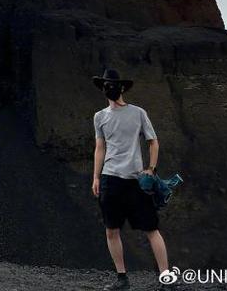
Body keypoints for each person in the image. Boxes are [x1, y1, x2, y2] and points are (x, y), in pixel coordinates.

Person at [91, 68, 174, 290]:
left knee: (151, 229)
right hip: (110, 179)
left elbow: (153, 141)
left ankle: (166, 279)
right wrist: (95, 178)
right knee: (111, 229)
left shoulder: (138, 113)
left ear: (121, 88)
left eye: (112, 85)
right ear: (103, 88)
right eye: (105, 85)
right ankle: (122, 279)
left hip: (136, 182)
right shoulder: (100, 117)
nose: (109, 88)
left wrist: (151, 169)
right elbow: (100, 148)